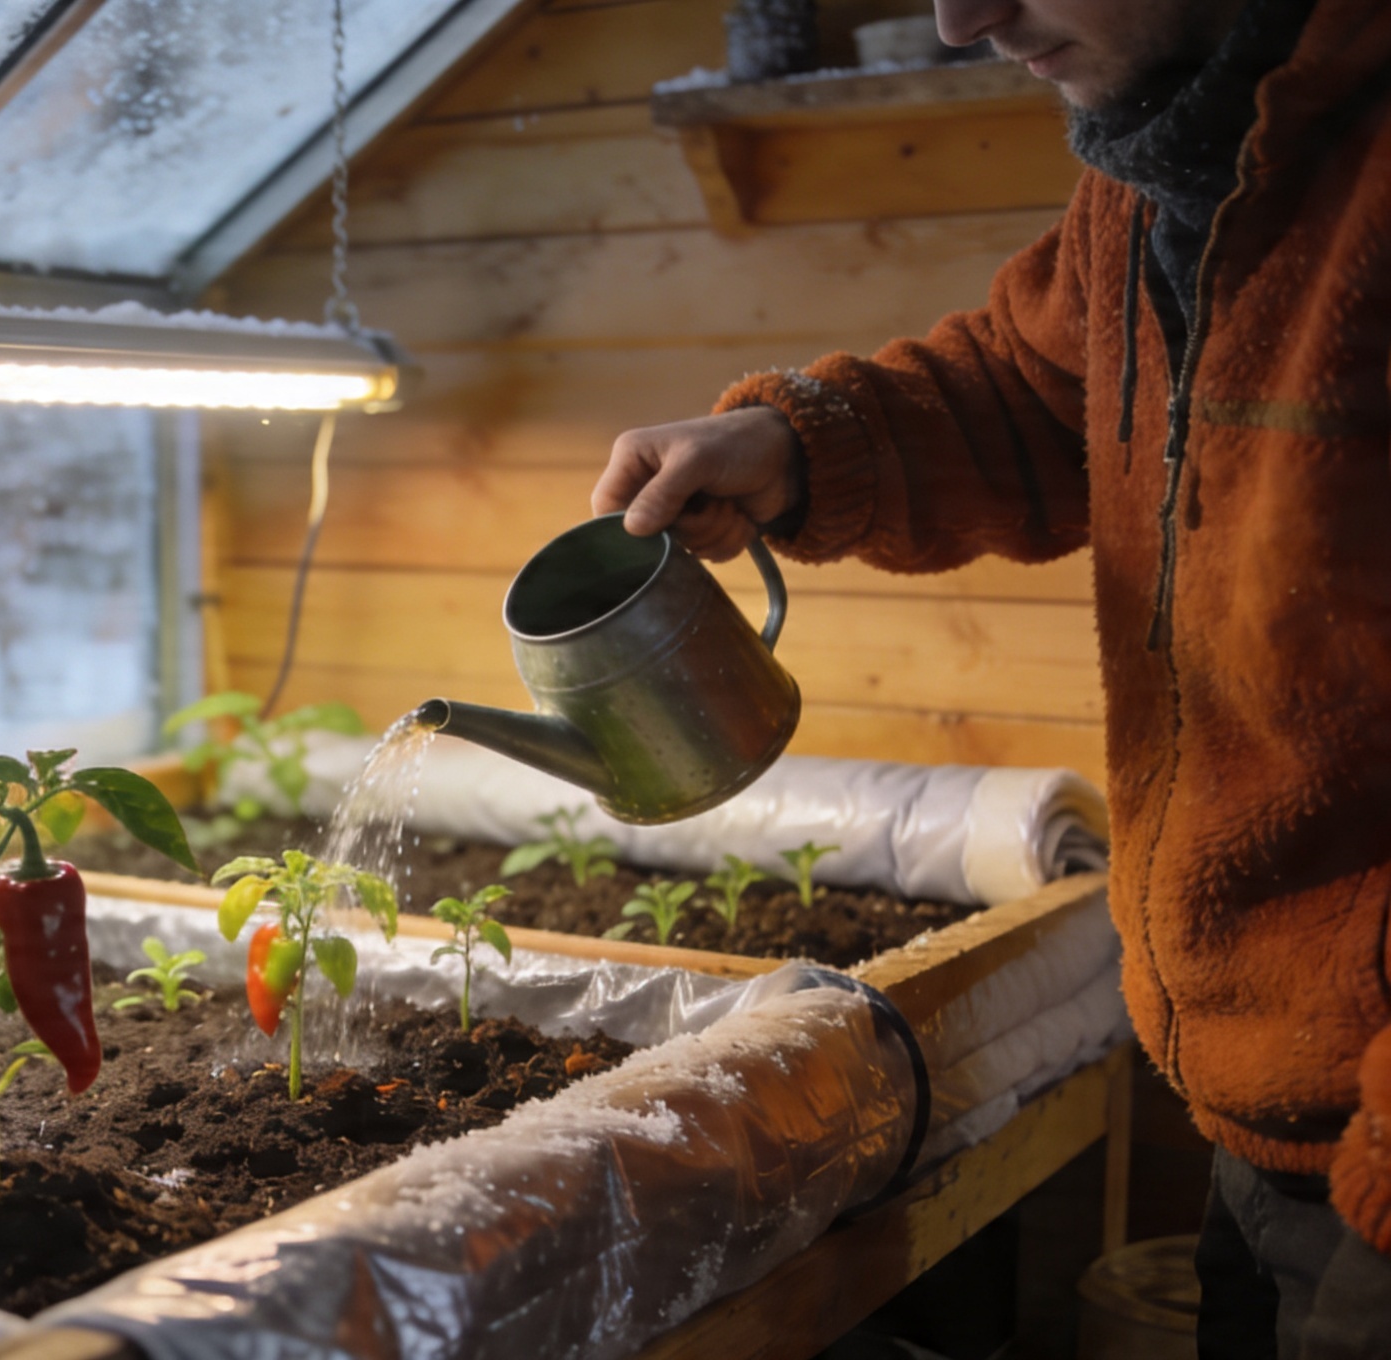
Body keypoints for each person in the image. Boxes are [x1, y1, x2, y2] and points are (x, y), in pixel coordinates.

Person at [588, 0, 1391, 1354]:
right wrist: (790, 443)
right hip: (1269, 1120)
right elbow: (1041, 386)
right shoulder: (1160, 158)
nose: (963, 19)